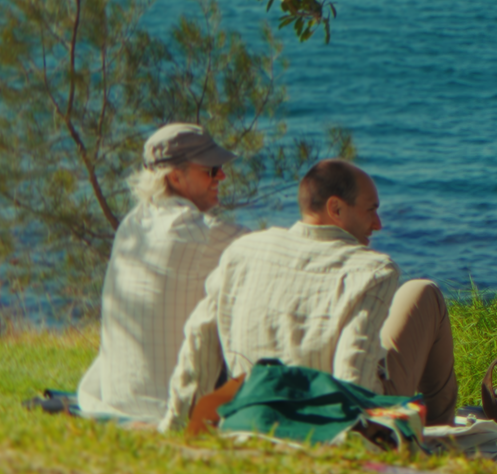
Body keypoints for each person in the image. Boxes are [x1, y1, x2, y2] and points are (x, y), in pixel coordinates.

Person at [157, 159, 458, 432]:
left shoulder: (244, 250)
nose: (378, 225)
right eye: (371, 210)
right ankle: (439, 432)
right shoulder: (372, 270)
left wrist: (178, 424)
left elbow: (198, 339)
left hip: (254, 412)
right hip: (328, 424)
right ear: (336, 209)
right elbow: (353, 378)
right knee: (423, 293)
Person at [75, 123, 248, 422]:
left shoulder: (132, 223)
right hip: (169, 409)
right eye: (211, 169)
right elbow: (277, 256)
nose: (222, 175)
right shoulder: (200, 235)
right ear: (175, 176)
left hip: (112, 399)